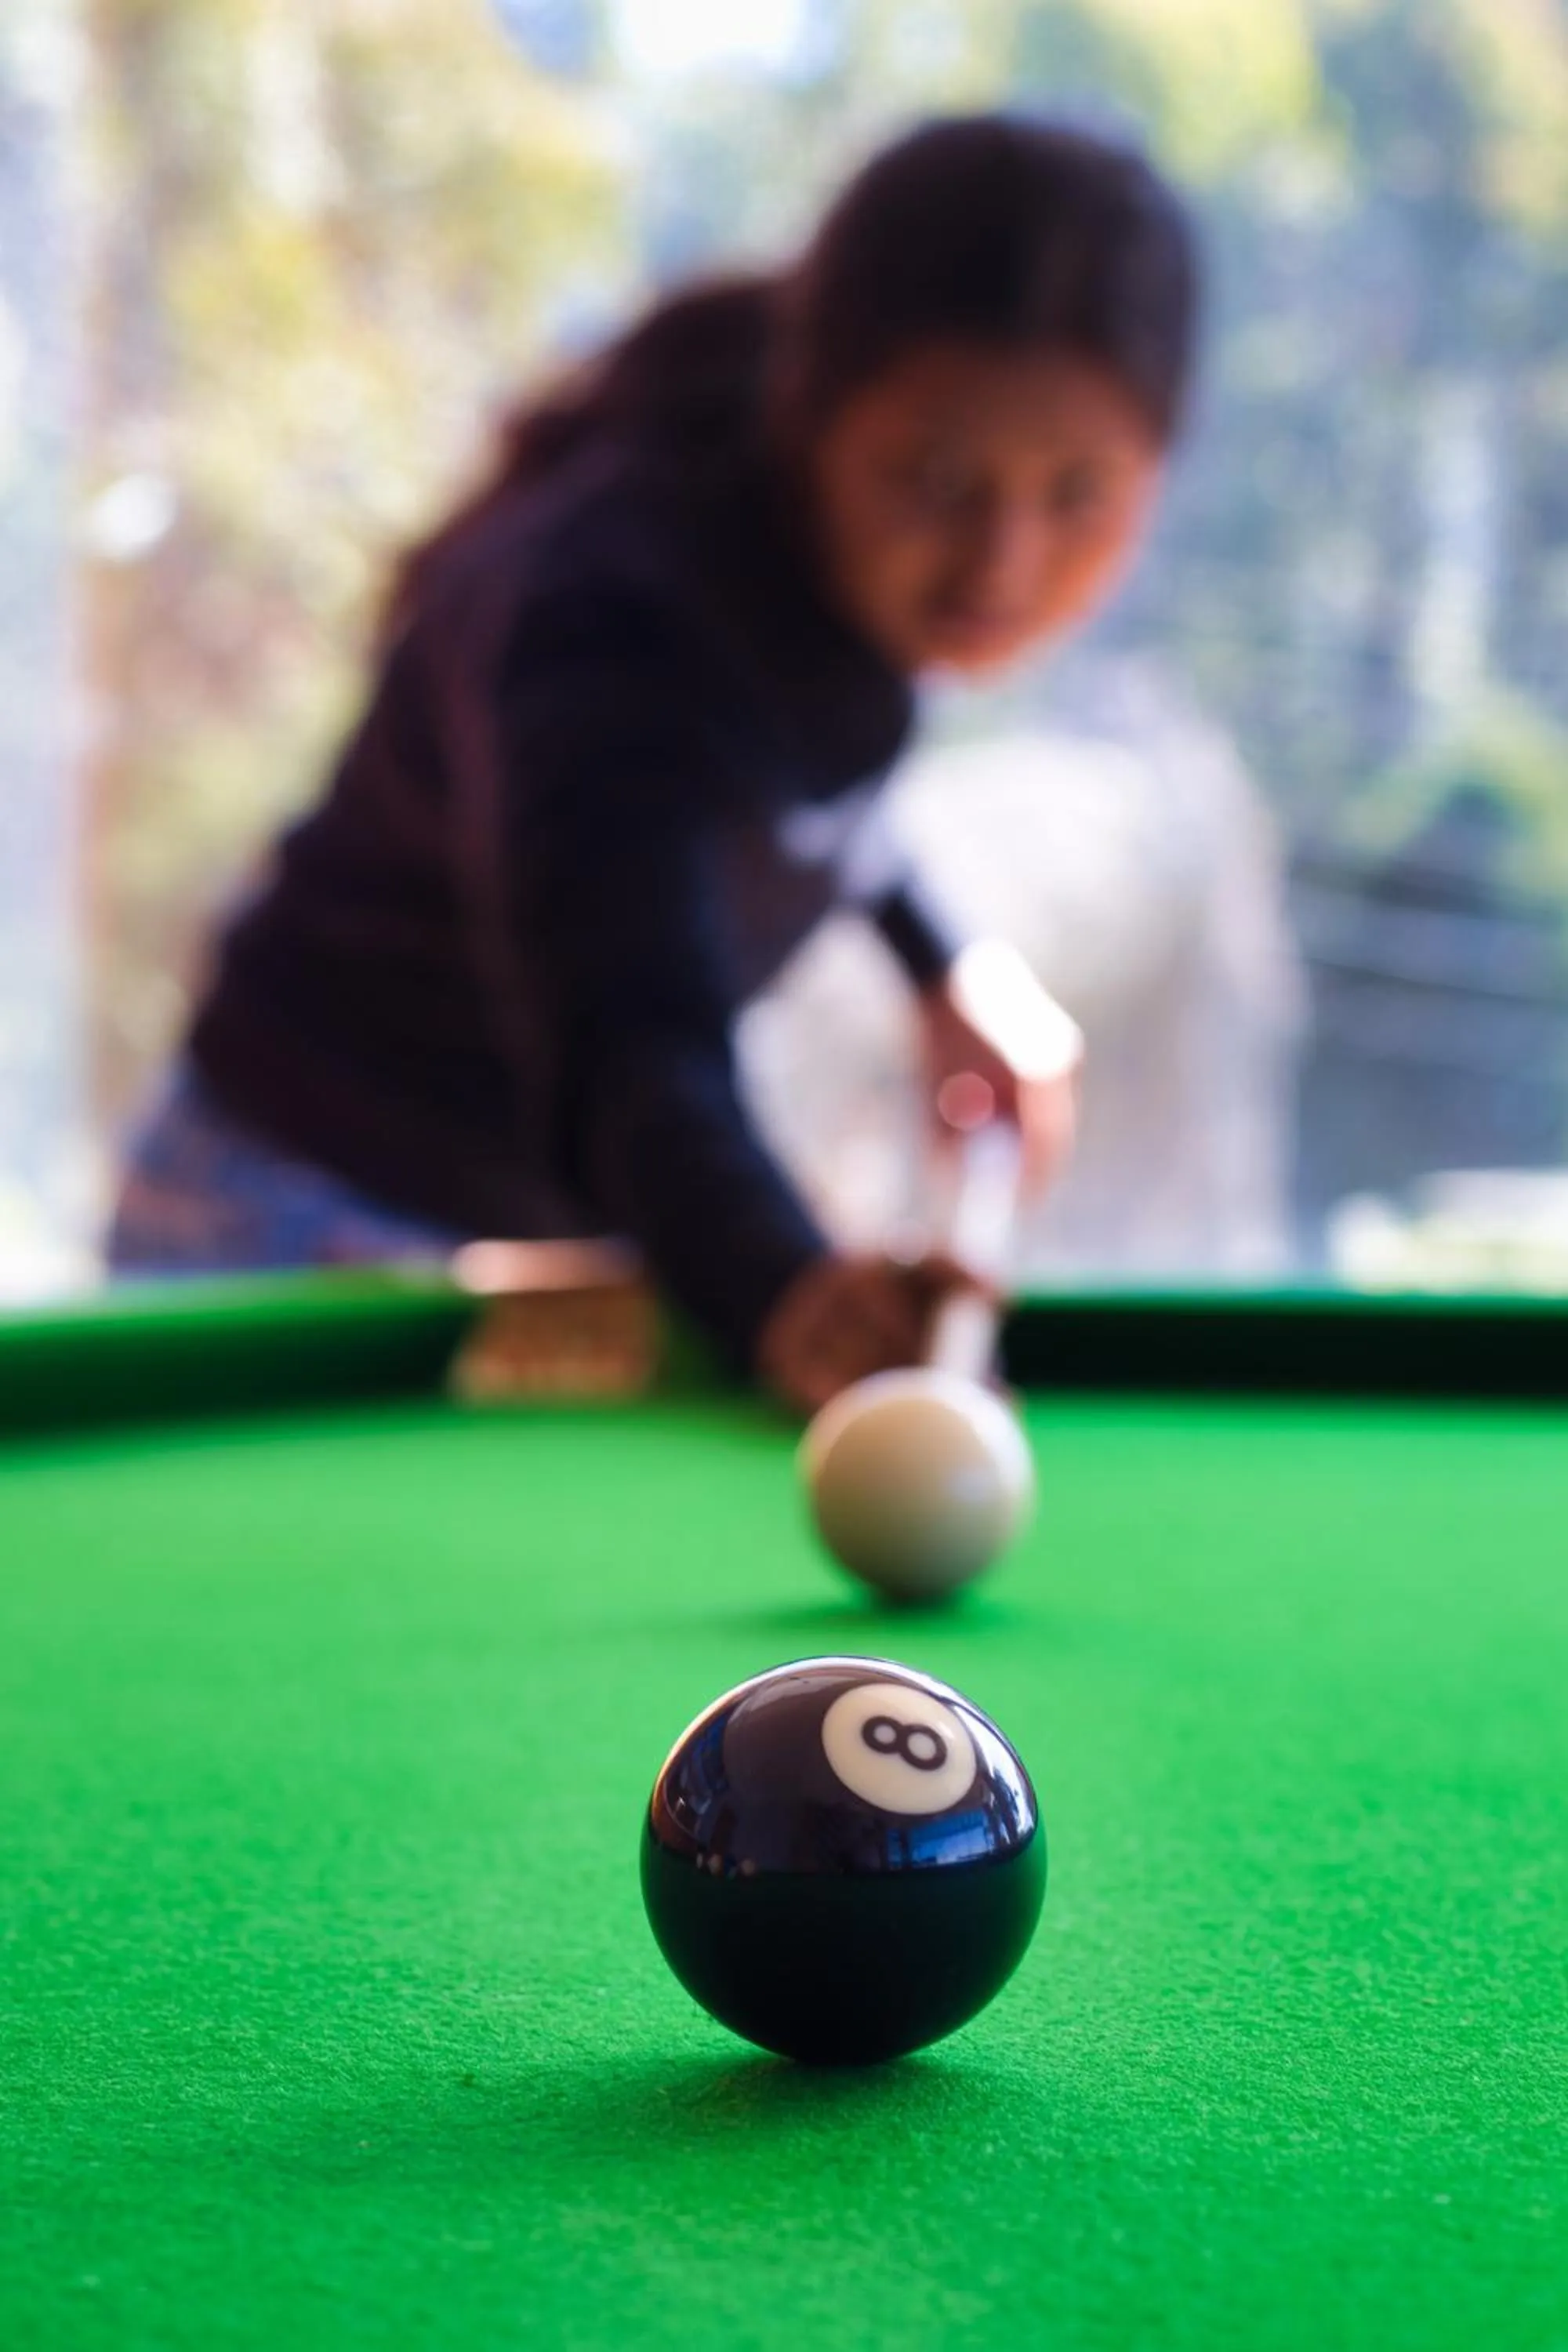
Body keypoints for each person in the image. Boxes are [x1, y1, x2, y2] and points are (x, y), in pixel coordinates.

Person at [107, 113, 1200, 1413]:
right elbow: (633, 1031)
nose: (1002, 566)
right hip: (294, 1219)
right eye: (940, 481)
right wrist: (787, 1289)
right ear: (818, 417)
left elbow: (798, 794)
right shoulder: (605, 620)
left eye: (1079, 495)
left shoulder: (823, 569)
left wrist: (942, 962)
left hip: (520, 1235)